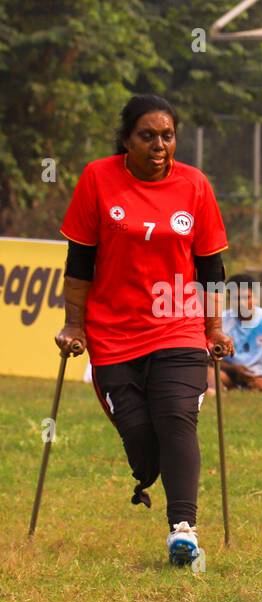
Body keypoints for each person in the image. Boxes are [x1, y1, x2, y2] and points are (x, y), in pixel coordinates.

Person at [55, 93, 231, 566]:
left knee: (176, 417)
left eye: (167, 136)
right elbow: (80, 260)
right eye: (147, 136)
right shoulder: (98, 178)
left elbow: (211, 266)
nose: (159, 145)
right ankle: (152, 471)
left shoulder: (195, 185)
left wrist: (213, 326)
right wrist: (74, 323)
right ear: (126, 140)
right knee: (140, 438)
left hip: (177, 323)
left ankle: (183, 529)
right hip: (112, 330)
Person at [209, 273, 262, 393]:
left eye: (247, 298)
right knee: (206, 371)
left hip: (260, 377)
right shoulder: (220, 321)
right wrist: (233, 369)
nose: (242, 303)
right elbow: (209, 358)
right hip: (230, 374)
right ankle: (219, 390)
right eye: (236, 298)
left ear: (256, 297)